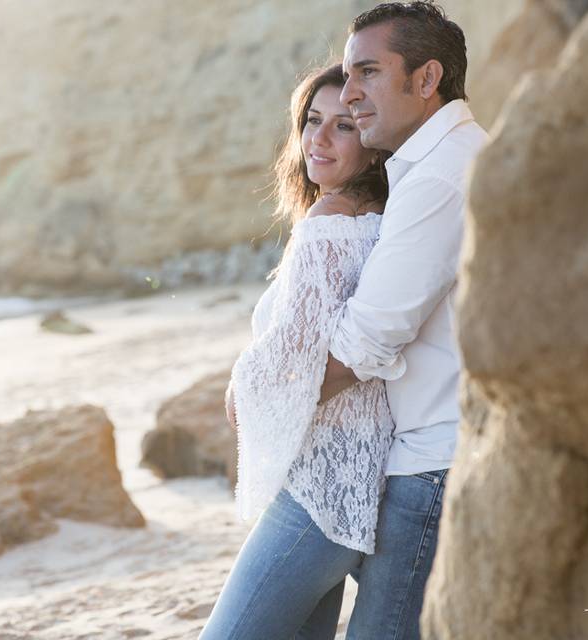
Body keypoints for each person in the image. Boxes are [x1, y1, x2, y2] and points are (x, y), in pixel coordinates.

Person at [307, 3, 491, 638]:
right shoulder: (447, 161)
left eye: (368, 73)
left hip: (433, 463)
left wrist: (266, 402)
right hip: (432, 455)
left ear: (425, 78)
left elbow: (365, 339)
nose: (350, 93)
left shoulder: (441, 177)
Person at [199, 63, 394, 639]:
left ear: (373, 141)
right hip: (358, 474)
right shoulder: (376, 219)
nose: (320, 139)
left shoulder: (327, 223)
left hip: (321, 487)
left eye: (344, 125)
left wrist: (239, 389)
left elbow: (294, 363)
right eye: (312, 121)